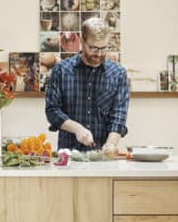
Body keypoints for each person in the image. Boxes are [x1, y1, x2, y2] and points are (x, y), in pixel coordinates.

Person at [44, 18, 130, 156]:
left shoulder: (118, 74)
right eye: (93, 48)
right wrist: (77, 129)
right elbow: (52, 111)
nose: (99, 54)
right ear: (83, 42)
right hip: (68, 155)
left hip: (102, 156)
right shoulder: (61, 70)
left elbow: (119, 115)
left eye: (103, 48)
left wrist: (111, 144)